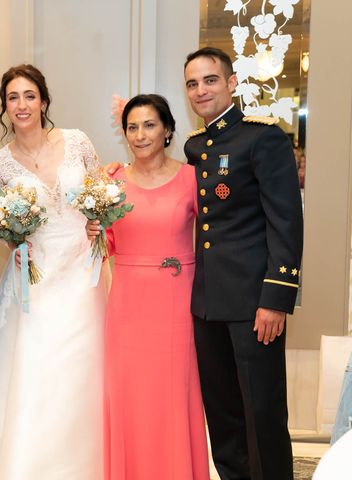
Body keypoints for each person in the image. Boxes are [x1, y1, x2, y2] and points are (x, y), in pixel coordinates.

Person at [0, 64, 108, 479]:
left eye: (29, 95)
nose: (22, 104)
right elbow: (3, 228)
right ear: (5, 107)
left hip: (82, 272)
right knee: (35, 367)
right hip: (34, 274)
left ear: (44, 101)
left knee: (82, 367)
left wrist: (98, 220)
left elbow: (101, 194)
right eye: (13, 97)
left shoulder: (77, 141)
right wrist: (15, 239)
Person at [183, 47, 303, 479]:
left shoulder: (263, 137)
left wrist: (276, 299)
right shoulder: (195, 146)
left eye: (210, 80)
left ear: (231, 83)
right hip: (207, 304)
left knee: (263, 413)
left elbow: (286, 222)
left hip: (255, 305)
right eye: (193, 84)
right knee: (224, 414)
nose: (201, 90)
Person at [88, 94, 209, 479]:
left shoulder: (193, 178)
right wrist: (93, 230)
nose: (140, 135)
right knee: (130, 398)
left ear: (168, 129)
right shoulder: (110, 182)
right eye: (132, 127)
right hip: (127, 306)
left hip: (177, 306)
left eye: (149, 125)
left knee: (174, 398)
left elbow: (216, 240)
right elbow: (102, 243)